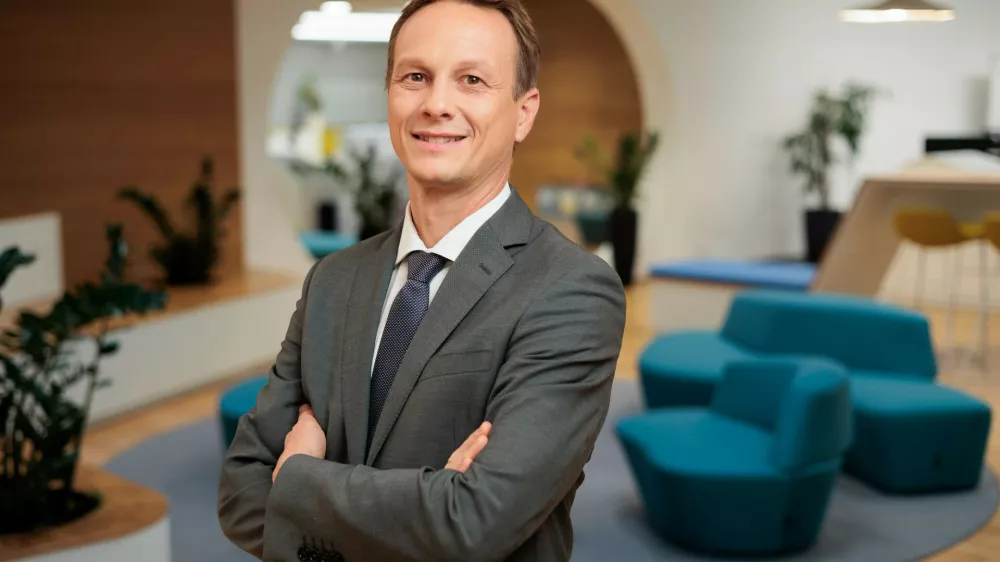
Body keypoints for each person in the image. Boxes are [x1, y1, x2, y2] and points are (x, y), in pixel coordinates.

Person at [217, 0, 627, 560]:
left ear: (524, 112)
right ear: (389, 94)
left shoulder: (572, 290)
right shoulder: (332, 280)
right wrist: (429, 505)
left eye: (472, 80)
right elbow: (240, 491)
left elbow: (475, 523)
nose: (436, 104)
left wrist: (299, 478)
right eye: (415, 77)